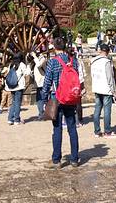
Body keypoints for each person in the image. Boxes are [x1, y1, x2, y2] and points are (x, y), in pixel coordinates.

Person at [41, 37, 79, 168]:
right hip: (70, 98)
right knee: (72, 128)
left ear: (54, 47)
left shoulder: (53, 62)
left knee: (57, 129)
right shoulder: (73, 61)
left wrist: (44, 99)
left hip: (57, 98)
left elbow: (47, 82)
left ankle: (56, 160)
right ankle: (74, 159)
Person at [90, 43, 116, 138]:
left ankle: (97, 131)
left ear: (100, 50)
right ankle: (107, 131)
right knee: (107, 110)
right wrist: (114, 91)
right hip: (106, 89)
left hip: (96, 87)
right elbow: (110, 78)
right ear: (108, 52)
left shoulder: (93, 61)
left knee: (97, 109)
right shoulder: (106, 62)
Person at [3, 52, 30, 125]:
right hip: (19, 86)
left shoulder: (11, 65)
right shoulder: (21, 64)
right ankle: (16, 120)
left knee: (14, 102)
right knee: (18, 103)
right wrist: (28, 65)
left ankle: (10, 119)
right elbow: (27, 73)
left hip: (12, 86)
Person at [31, 49, 48, 117]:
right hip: (38, 83)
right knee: (39, 98)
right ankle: (41, 112)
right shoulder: (35, 59)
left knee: (43, 97)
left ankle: (44, 112)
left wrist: (34, 57)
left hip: (42, 81)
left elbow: (39, 65)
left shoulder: (42, 58)